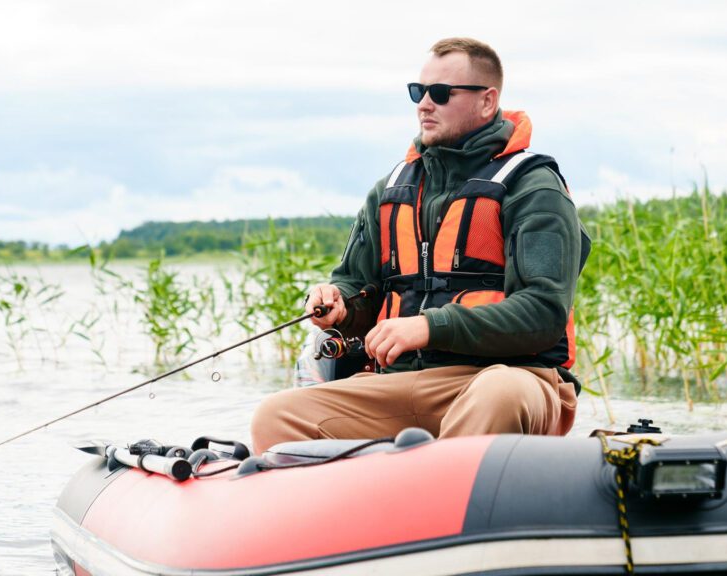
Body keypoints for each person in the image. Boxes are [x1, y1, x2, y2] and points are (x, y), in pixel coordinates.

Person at [250, 38, 586, 454]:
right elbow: (357, 287)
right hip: (401, 383)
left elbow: (543, 313)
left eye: (441, 93)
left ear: (487, 101)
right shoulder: (390, 191)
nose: (425, 104)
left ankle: (448, 485)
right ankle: (391, 487)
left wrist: (429, 326)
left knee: (498, 393)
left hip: (510, 377)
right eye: (418, 91)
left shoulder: (533, 186)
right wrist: (340, 304)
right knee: (276, 415)